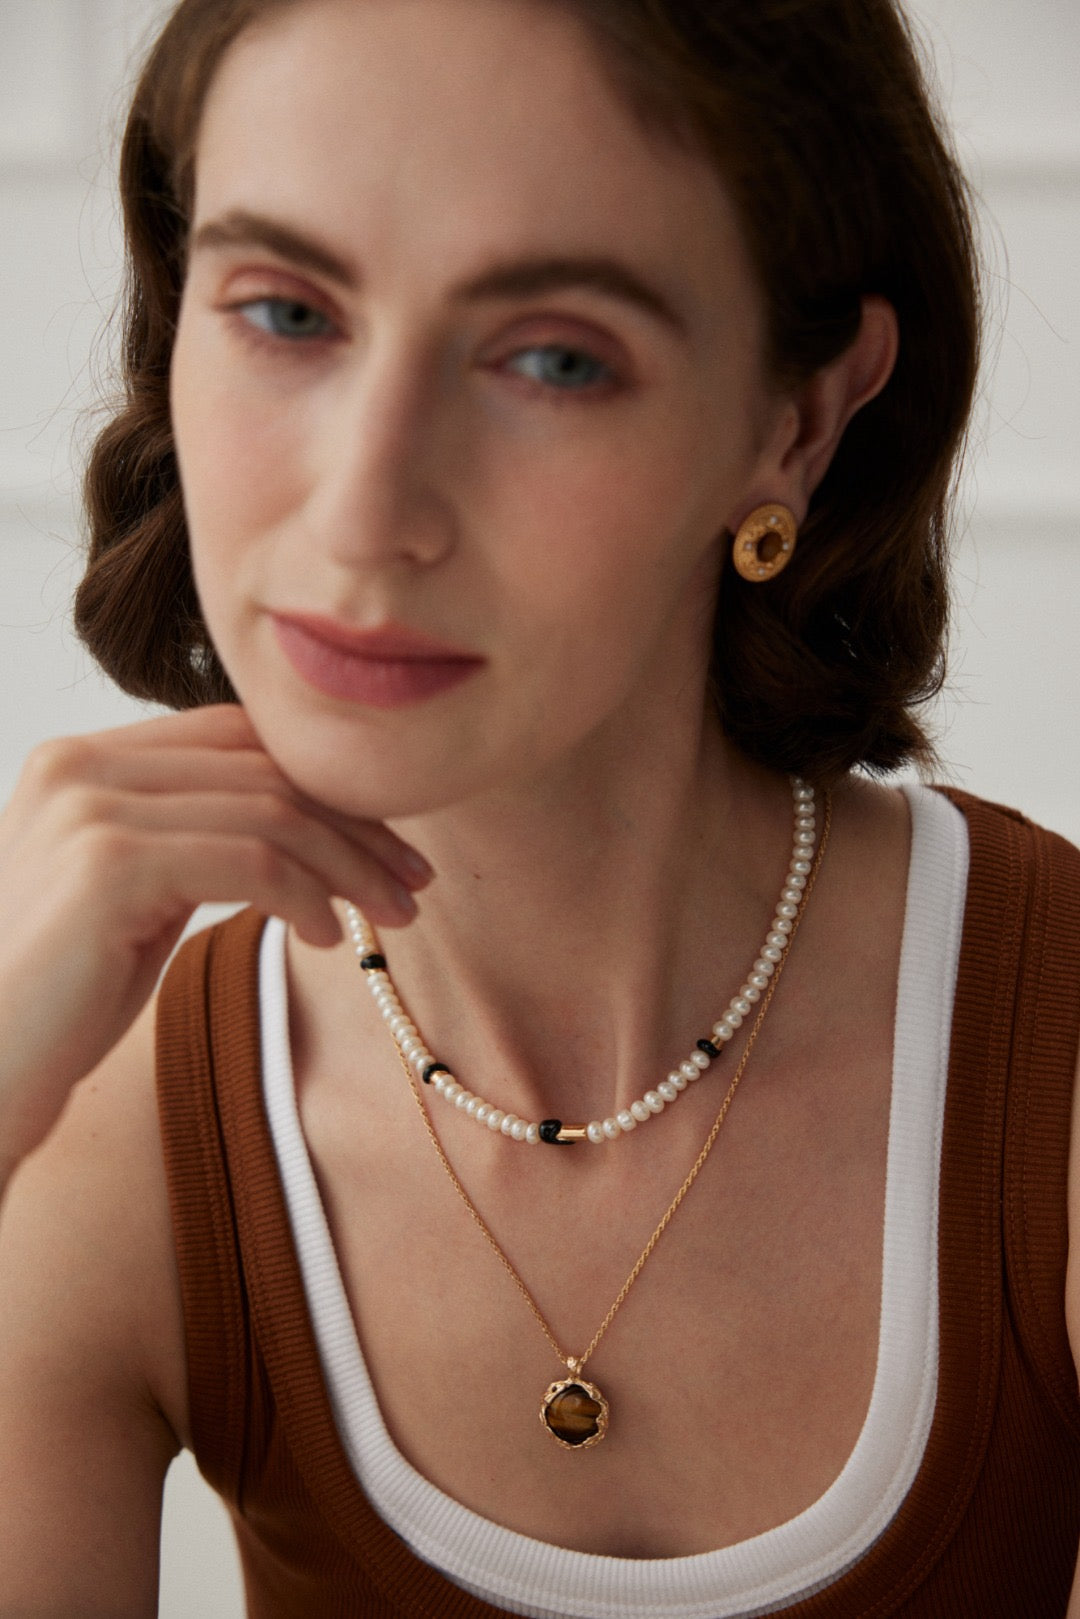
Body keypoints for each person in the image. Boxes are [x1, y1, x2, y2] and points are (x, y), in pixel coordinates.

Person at [1, 0, 1078, 1613]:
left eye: (555, 357)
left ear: (795, 423)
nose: (366, 513)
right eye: (285, 312)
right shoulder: (99, 1137)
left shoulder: (1052, 1052)